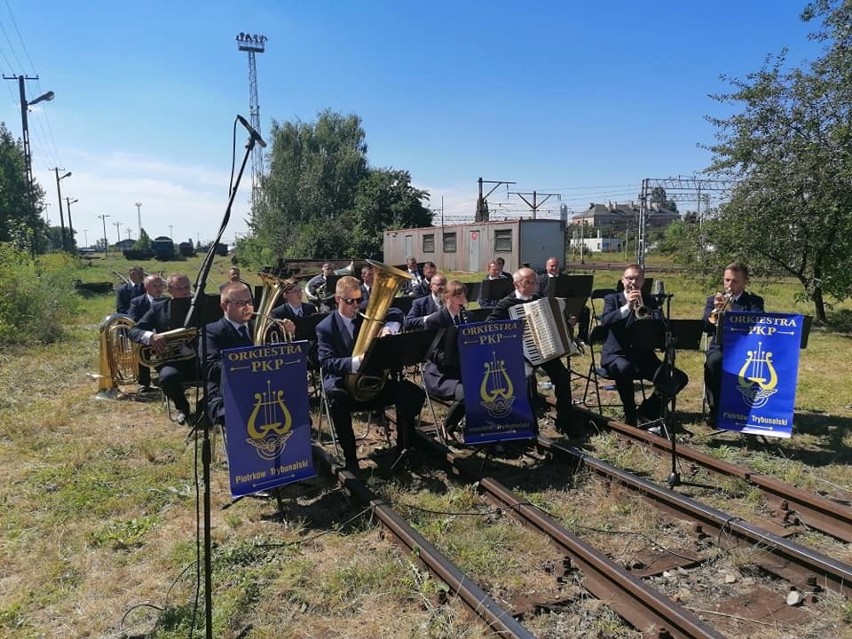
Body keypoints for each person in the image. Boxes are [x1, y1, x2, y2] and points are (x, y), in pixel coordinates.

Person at [316, 276, 425, 472]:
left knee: (412, 393)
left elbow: (396, 311)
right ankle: (351, 458)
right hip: (343, 385)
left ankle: (404, 449)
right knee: (337, 400)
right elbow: (326, 362)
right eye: (350, 301)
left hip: (370, 384)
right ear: (338, 300)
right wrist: (357, 362)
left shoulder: (365, 315)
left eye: (358, 300)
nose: (355, 305)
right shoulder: (325, 327)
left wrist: (389, 329)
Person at [487, 267, 579, 435]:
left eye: (534, 282)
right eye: (528, 282)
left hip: (543, 350)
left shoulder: (539, 299)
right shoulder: (506, 304)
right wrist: (513, 330)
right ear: (516, 284)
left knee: (563, 376)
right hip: (520, 352)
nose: (532, 286)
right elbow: (490, 326)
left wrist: (568, 322)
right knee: (528, 378)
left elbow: (553, 322)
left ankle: (565, 420)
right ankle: (530, 426)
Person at [600, 264, 688, 427]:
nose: (633, 282)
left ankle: (648, 409)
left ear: (643, 282)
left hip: (643, 356)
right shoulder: (612, 299)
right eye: (629, 278)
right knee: (624, 368)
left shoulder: (649, 301)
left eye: (637, 279)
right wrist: (627, 308)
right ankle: (630, 414)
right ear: (622, 280)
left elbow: (661, 326)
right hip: (616, 354)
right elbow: (605, 321)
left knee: (679, 378)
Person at [129, 274, 198, 425]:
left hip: (200, 356)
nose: (185, 291)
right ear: (170, 290)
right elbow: (134, 331)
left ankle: (204, 406)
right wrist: (151, 337)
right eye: (179, 288)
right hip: (172, 360)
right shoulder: (159, 307)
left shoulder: (201, 305)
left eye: (187, 287)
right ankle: (183, 408)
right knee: (167, 378)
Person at [702, 261, 764, 427]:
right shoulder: (712, 300)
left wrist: (730, 310)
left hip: (746, 349)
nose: (729, 285)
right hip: (720, 346)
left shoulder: (754, 302)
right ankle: (715, 410)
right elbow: (705, 327)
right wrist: (715, 312)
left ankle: (747, 409)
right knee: (713, 362)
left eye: (735, 281)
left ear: (745, 282)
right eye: (727, 280)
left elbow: (757, 324)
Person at [421, 280, 468, 440]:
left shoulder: (467, 317)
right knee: (467, 394)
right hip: (441, 374)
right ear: (446, 297)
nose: (461, 298)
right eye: (457, 295)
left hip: (462, 370)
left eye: (463, 294)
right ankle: (447, 426)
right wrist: (448, 357)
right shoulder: (435, 320)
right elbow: (430, 351)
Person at [128, 275, 166, 393]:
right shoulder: (137, 302)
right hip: (145, 338)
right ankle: (144, 383)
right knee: (140, 350)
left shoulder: (167, 300)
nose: (158, 288)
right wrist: (148, 335)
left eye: (160, 285)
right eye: (154, 286)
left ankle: (166, 378)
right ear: (146, 288)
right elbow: (133, 321)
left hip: (163, 337)